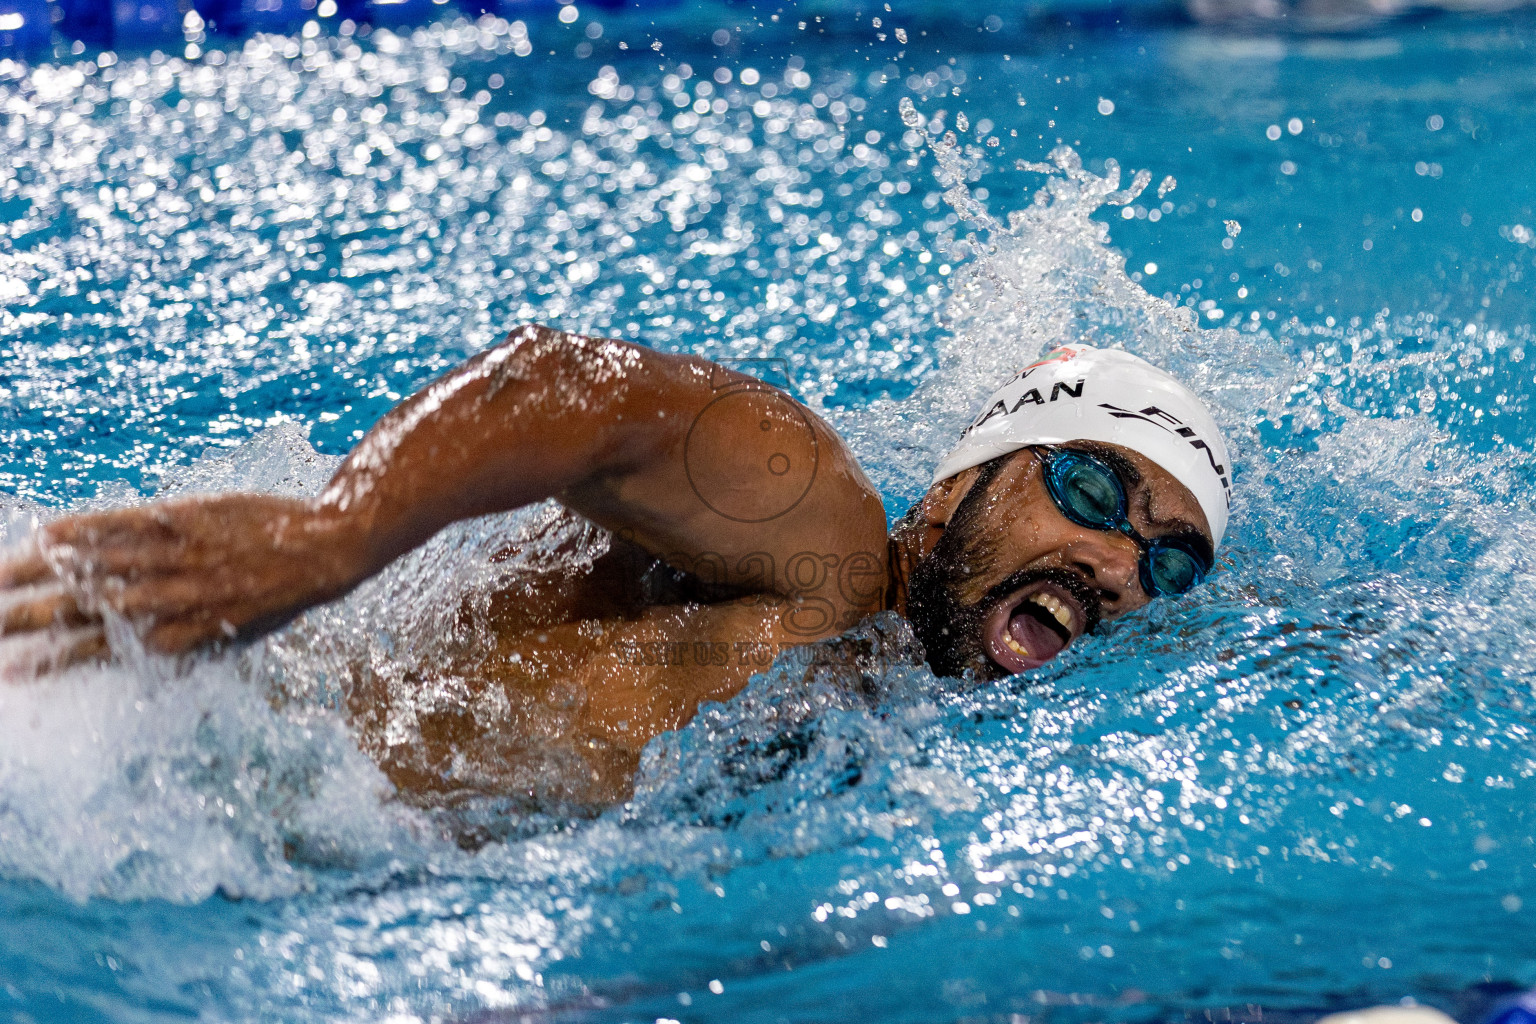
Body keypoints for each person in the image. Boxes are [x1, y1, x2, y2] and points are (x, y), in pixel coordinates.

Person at [0, 325, 1231, 805]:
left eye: (1166, 564)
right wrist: (334, 537)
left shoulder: (885, 685)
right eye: (1086, 490)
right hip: (156, 749)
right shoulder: (833, 545)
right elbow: (573, 393)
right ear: (965, 479)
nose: (1118, 562)